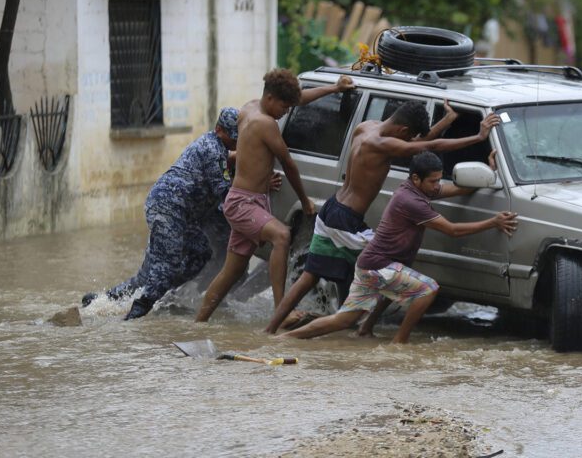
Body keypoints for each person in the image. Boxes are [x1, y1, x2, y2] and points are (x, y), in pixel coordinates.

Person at [264, 99, 501, 333]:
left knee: (310, 276)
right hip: (347, 221)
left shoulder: (366, 127)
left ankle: (270, 329)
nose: (410, 142)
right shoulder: (383, 144)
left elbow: (417, 144)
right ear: (403, 130)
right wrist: (478, 137)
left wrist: (447, 120)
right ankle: (360, 326)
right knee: (391, 265)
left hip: (332, 208)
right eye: (408, 137)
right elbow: (430, 146)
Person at [278, 151, 518, 343]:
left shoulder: (416, 190)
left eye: (438, 179)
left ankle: (292, 338)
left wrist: (490, 175)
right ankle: (399, 343)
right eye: (433, 181)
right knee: (428, 290)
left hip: (375, 265)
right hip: (377, 267)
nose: (437, 186)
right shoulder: (411, 201)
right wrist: (494, 221)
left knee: (343, 320)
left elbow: (456, 188)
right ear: (416, 179)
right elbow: (452, 230)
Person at [194, 69, 355, 323]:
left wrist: (334, 89)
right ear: (270, 98)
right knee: (282, 236)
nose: (287, 111)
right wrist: (304, 201)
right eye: (284, 106)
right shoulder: (265, 124)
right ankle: (282, 312)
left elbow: (299, 99)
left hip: (246, 199)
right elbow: (288, 164)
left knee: (231, 272)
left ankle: (199, 323)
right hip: (244, 202)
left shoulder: (249, 108)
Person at [80, 107, 241, 320]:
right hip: (168, 208)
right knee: (169, 264)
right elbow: (224, 192)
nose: (235, 142)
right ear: (219, 129)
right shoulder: (214, 150)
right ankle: (134, 315)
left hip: (180, 213)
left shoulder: (216, 146)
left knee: (196, 254)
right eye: (233, 137)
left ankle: (103, 300)